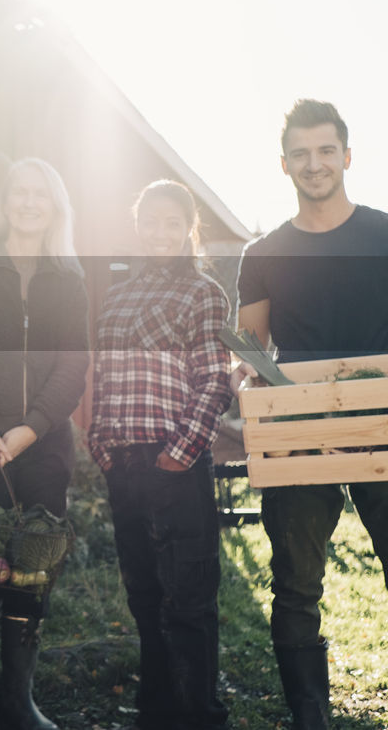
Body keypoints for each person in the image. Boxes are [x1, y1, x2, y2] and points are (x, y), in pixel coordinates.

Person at [233, 99, 388, 730]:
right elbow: (251, 348)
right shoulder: (263, 253)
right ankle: (312, 718)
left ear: (347, 156)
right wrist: (244, 372)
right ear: (284, 165)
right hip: (300, 435)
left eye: (326, 150)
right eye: (301, 154)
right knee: (296, 589)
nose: (315, 164)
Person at [0, 158, 90, 730]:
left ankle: (17, 703)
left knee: (34, 568)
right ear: (4, 202)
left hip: (45, 446)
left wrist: (28, 429)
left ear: (55, 208)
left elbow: (73, 365)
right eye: (20, 193)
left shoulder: (69, 278)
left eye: (41, 195)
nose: (29, 203)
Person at [89, 180, 233, 729]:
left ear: (188, 229)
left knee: (189, 602)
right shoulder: (118, 296)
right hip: (122, 464)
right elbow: (103, 375)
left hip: (176, 465)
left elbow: (213, 381)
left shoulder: (203, 293)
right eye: (152, 222)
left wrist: (178, 453)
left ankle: (200, 717)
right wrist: (99, 443)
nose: (162, 233)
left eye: (174, 223)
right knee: (145, 597)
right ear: (138, 225)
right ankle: (156, 714)